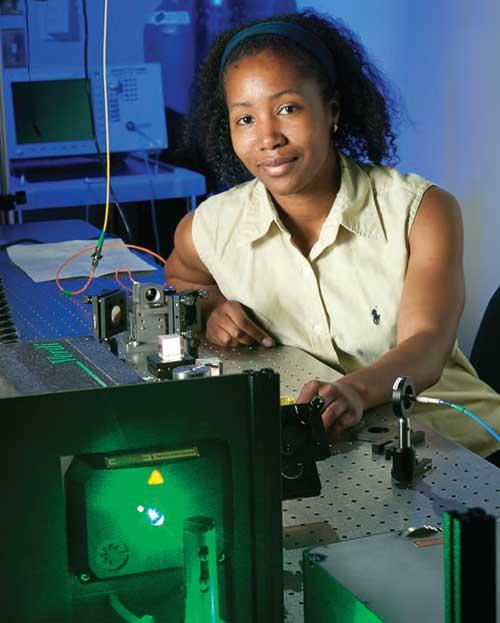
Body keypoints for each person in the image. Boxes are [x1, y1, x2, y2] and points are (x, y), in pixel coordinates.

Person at [165, 10, 500, 461]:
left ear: (331, 112)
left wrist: (354, 392)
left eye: (288, 109)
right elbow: (182, 275)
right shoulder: (213, 225)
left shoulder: (421, 211)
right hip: (346, 454)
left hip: (466, 447)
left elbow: (427, 345)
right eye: (245, 119)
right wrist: (210, 308)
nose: (267, 137)